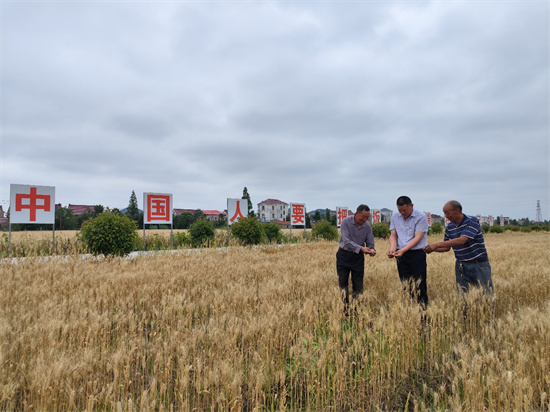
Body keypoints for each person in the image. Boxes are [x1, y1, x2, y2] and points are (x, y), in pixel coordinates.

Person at [423, 200, 494, 295]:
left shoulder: (472, 221)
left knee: (486, 294)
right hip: (461, 265)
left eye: (447, 213)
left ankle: (487, 310)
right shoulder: (450, 227)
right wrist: (430, 248)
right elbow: (446, 247)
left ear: (457, 210)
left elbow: (462, 240)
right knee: (463, 295)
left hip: (478, 264)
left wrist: (436, 245)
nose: (446, 216)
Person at [387, 196, 429, 309]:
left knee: (419, 284)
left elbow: (418, 238)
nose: (402, 213)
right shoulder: (395, 216)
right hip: (401, 254)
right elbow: (393, 235)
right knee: (405, 283)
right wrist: (392, 248)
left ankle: (423, 311)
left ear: (412, 206)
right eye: (400, 210)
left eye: (404, 210)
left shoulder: (421, 217)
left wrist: (403, 250)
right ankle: (410, 309)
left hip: (416, 253)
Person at [336, 204, 376, 314]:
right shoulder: (345, 222)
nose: (365, 219)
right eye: (363, 217)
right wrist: (361, 248)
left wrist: (372, 250)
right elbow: (346, 241)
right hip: (343, 256)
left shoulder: (367, 227)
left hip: (357, 258)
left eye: (367, 217)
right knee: (343, 283)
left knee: (358, 285)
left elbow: (370, 243)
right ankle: (345, 309)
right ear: (356, 213)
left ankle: (356, 310)